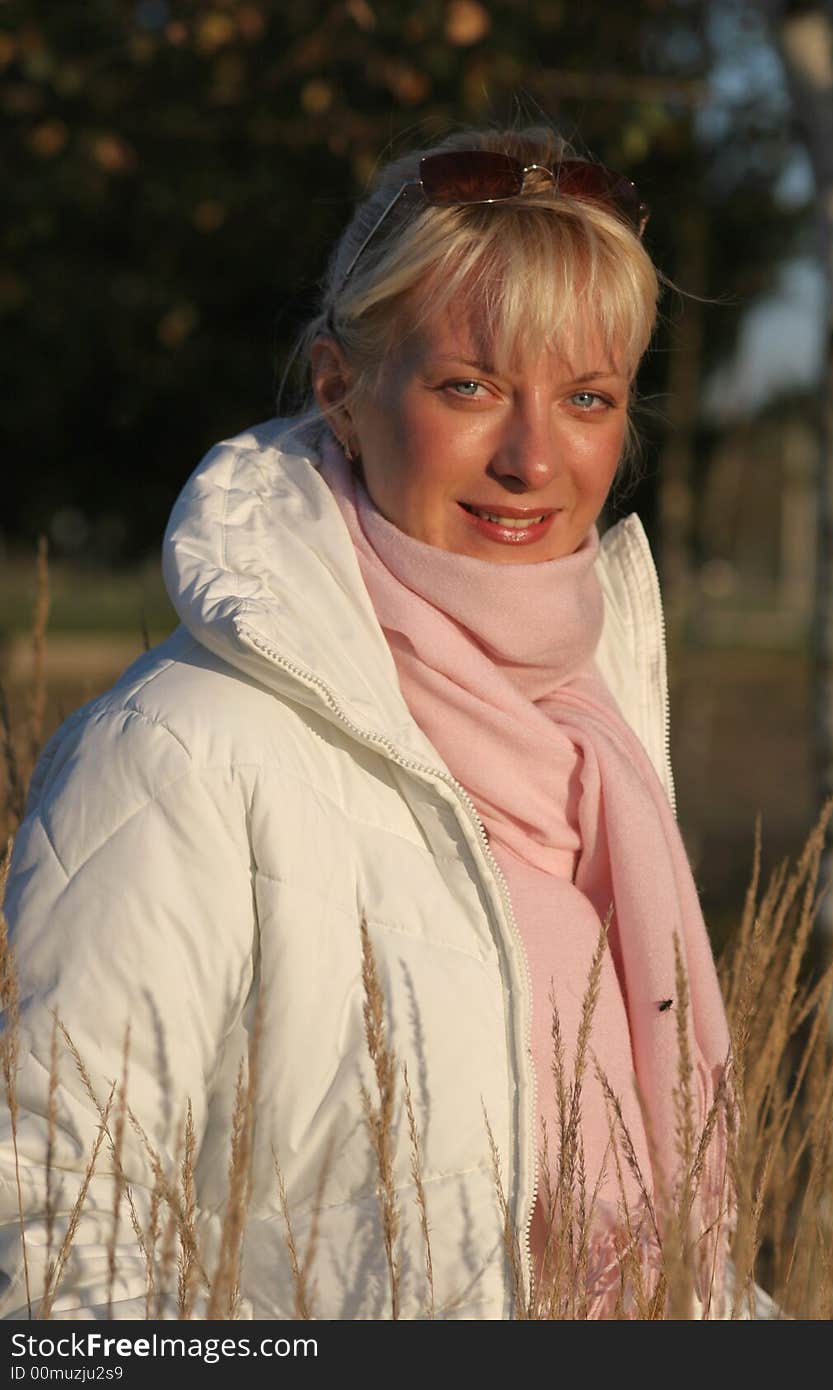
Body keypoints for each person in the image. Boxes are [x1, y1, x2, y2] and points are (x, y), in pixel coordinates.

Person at [1, 124, 736, 1321]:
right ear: (340, 387)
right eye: (470, 386)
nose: (532, 457)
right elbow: (51, 1251)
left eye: (586, 397)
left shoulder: (597, 749)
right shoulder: (183, 750)